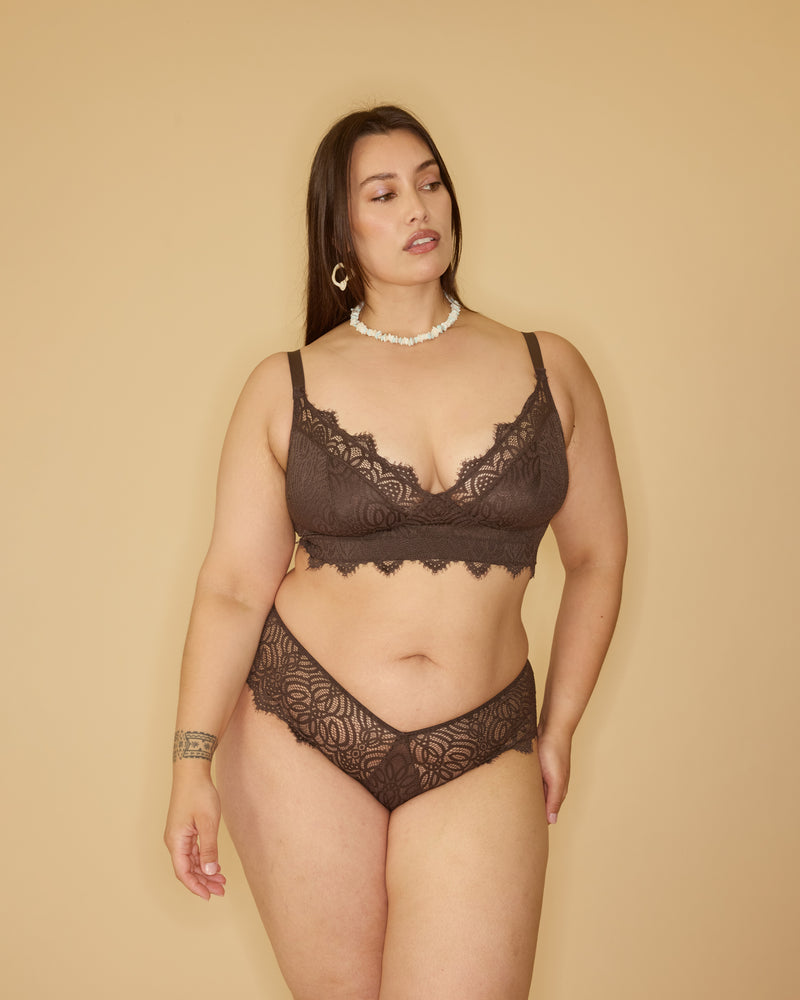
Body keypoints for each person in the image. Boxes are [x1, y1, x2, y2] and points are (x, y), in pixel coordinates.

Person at [164, 105, 626, 1000]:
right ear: (342, 232)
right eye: (383, 194)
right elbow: (232, 588)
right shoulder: (285, 385)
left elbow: (599, 556)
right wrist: (191, 762)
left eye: (430, 182)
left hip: (484, 737)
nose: (418, 206)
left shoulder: (551, 367)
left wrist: (560, 725)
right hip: (300, 730)